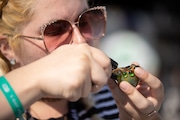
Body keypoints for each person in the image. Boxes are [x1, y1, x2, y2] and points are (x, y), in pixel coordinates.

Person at [0, 0, 164, 120]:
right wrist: (36, 80)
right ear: (7, 47)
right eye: (56, 30)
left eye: (84, 21)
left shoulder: (108, 96)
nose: (80, 42)